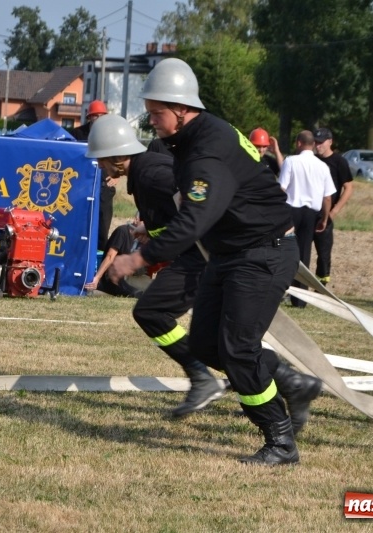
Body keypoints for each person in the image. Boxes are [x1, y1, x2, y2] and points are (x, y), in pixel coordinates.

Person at [108, 58, 322, 466]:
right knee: (207, 345)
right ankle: (293, 384)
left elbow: (195, 219)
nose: (150, 121)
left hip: (262, 253)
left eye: (156, 113)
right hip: (230, 254)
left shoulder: (205, 151)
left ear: (181, 109)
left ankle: (280, 441)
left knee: (238, 349)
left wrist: (139, 258)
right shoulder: (193, 139)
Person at [86, 114, 223, 416]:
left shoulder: (152, 176)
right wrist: (150, 229)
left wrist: (138, 258)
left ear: (117, 156)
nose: (100, 165)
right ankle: (289, 382)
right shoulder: (144, 173)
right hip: (200, 255)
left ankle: (203, 379)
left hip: (203, 256)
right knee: (216, 342)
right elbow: (176, 212)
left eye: (102, 159)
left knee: (152, 312)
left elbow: (196, 202)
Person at [278, 130, 336, 308]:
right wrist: (324, 219)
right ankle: (300, 300)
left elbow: (281, 188)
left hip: (292, 211)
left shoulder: (291, 161)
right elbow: (327, 198)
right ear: (313, 144)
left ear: (298, 143)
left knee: (284, 250)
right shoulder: (322, 166)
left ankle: (280, 290)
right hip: (311, 213)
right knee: (304, 254)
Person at [72, 100, 115, 253]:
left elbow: (123, 156)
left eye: (101, 116)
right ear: (89, 117)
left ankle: (99, 259)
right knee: (80, 225)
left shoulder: (113, 135)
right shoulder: (77, 134)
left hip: (104, 186)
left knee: (102, 227)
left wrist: (117, 176)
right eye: (95, 116)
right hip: (82, 186)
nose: (98, 119)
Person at [313, 127, 354, 286]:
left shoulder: (339, 162)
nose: (318, 146)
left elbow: (348, 187)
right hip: (309, 212)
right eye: (316, 142)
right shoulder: (312, 160)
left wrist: (334, 211)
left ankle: (321, 286)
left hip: (325, 213)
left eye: (321, 142)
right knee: (300, 250)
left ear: (330, 142)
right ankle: (297, 286)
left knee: (324, 253)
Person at [85, 217, 143, 298]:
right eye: (144, 221)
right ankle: (101, 286)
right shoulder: (122, 231)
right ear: (136, 220)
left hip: (127, 277)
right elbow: (110, 256)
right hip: (111, 277)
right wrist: (97, 278)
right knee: (136, 294)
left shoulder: (142, 237)